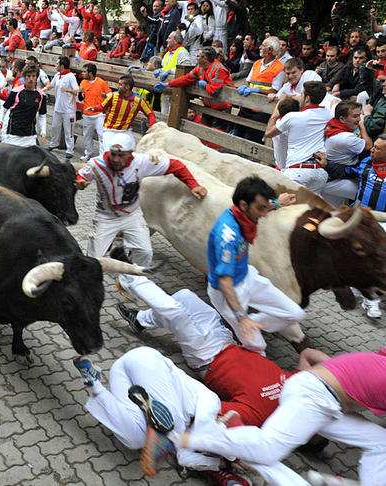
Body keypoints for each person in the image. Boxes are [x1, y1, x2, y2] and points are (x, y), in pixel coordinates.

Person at [73, 346, 305, 484]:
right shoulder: (209, 404)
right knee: (173, 419)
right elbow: (196, 444)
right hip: (145, 362)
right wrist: (231, 458)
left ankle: (93, 382)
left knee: (135, 439)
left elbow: (187, 457)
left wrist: (222, 462)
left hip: (123, 375)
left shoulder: (189, 437)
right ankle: (160, 427)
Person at [180, 348, 386, 486]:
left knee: (381, 442)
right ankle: (202, 437)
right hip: (314, 394)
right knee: (268, 450)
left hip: (329, 401)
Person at [206, 176, 308, 355]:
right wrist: (241, 318)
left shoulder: (243, 213)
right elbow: (225, 282)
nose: (264, 214)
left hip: (247, 276)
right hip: (226, 292)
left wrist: (278, 203)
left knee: (296, 314)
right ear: (244, 205)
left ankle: (252, 324)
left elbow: (262, 207)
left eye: (265, 207)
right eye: (260, 208)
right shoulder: (227, 237)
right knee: (258, 347)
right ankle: (243, 327)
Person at [75, 132, 207, 265]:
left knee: (145, 252)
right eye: (113, 154)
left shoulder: (142, 162)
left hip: (132, 215)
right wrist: (80, 184)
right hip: (106, 217)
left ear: (130, 153)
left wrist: (193, 185)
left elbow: (176, 165)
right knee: (94, 258)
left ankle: (130, 281)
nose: (116, 159)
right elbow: (81, 176)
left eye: (121, 155)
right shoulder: (96, 164)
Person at [343, 134, 386, 318]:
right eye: (374, 146)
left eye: (377, 148)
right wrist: (327, 165)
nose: (372, 149)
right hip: (362, 217)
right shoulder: (367, 163)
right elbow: (347, 172)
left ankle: (372, 300)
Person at [264, 81, 332, 193]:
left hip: (297, 171)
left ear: (307, 98)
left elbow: (268, 133)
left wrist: (275, 114)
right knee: (308, 209)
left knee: (285, 206)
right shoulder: (327, 114)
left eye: (301, 94)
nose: (299, 97)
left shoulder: (292, 117)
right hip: (319, 173)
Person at [153, 46, 232, 131]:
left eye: (198, 56)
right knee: (203, 130)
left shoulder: (218, 69)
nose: (196, 58)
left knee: (217, 134)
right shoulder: (200, 67)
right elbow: (186, 78)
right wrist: (168, 84)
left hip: (222, 107)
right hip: (210, 106)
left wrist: (205, 86)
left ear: (204, 58)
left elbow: (215, 91)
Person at [320, 101, 372, 208]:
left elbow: (334, 102)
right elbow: (369, 146)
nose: (359, 119)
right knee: (369, 194)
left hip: (334, 175)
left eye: (359, 115)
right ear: (342, 119)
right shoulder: (345, 138)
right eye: (355, 116)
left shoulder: (333, 123)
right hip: (336, 180)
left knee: (338, 210)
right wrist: (362, 125)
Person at [235, 36, 284, 143]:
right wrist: (247, 87)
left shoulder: (279, 68)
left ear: (270, 50)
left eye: (263, 45)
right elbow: (248, 81)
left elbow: (274, 91)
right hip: (247, 105)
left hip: (261, 109)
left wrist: (256, 90)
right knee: (238, 133)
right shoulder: (257, 63)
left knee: (252, 138)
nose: (260, 47)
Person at [89, 74, 156, 149]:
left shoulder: (138, 100)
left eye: (120, 85)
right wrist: (94, 108)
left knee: (131, 152)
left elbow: (150, 113)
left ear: (127, 87)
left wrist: (152, 126)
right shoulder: (113, 95)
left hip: (125, 131)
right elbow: (102, 107)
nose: (118, 86)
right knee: (108, 152)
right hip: (109, 130)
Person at [0, 64, 48, 147]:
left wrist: (43, 131)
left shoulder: (41, 95)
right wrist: (0, 122)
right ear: (24, 77)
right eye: (28, 76)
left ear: (37, 77)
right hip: (13, 136)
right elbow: (3, 109)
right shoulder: (16, 92)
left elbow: (42, 116)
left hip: (30, 137)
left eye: (33, 76)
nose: (31, 79)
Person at [78, 63, 111, 161]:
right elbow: (81, 99)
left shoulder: (101, 83)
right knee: (87, 135)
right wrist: (80, 93)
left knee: (102, 135)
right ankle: (88, 153)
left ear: (91, 73)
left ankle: (102, 156)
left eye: (84, 71)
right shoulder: (83, 82)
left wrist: (105, 96)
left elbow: (110, 96)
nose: (82, 73)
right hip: (87, 115)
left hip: (99, 115)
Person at [49, 55, 79, 159]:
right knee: (54, 127)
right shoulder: (58, 75)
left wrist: (68, 90)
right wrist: (42, 90)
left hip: (68, 109)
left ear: (62, 65)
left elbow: (77, 91)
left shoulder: (71, 76)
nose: (56, 65)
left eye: (57, 64)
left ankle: (69, 150)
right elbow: (51, 85)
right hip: (58, 107)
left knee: (69, 130)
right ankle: (53, 144)